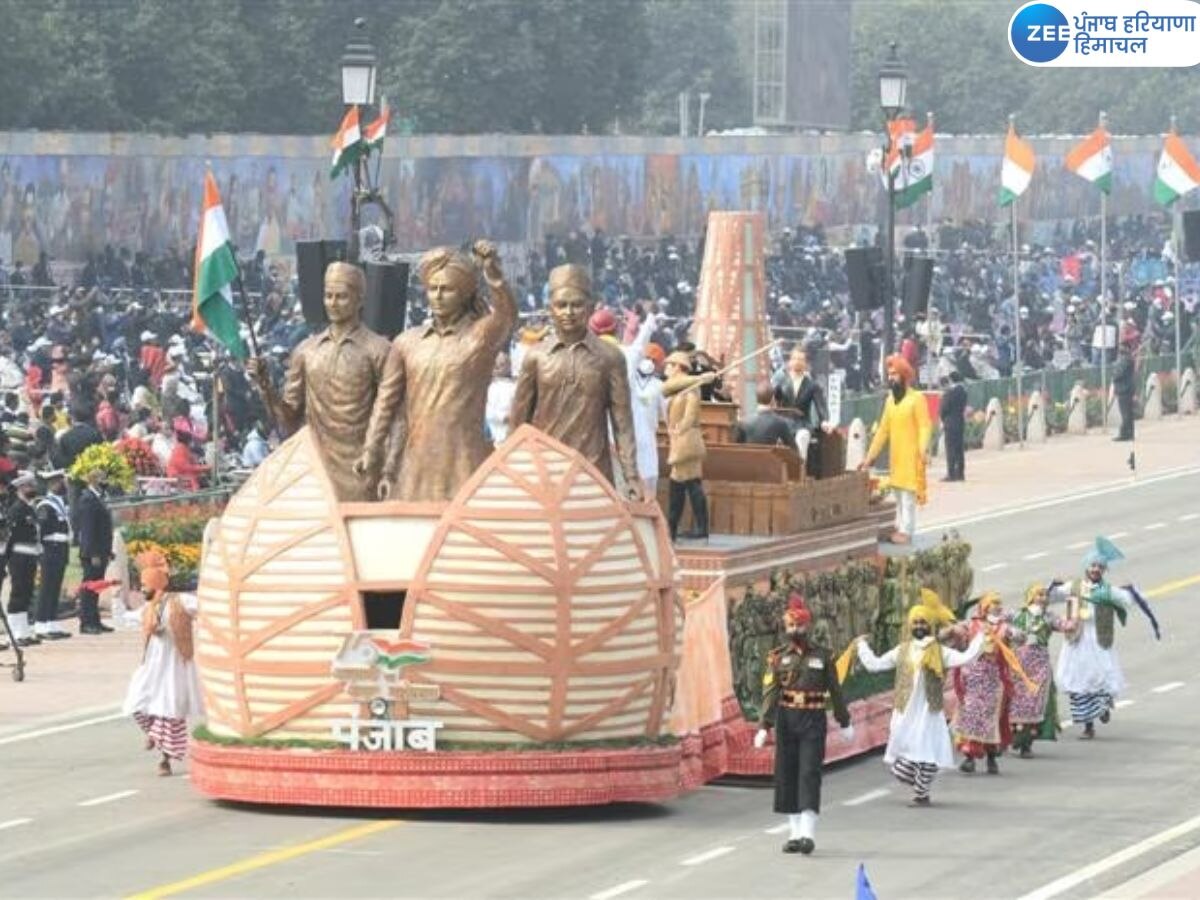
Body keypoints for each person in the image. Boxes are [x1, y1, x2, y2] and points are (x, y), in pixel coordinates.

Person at [359, 242, 517, 502]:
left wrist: (494, 274)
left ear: (464, 294)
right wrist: (372, 452)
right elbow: (386, 405)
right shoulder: (407, 343)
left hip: (464, 463)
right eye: (433, 289)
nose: (438, 295)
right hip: (416, 467)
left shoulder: (479, 338)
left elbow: (506, 316)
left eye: (447, 289)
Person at [249, 261, 392, 502]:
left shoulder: (379, 350)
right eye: (329, 296)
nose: (333, 303)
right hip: (317, 470)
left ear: (359, 299)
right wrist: (266, 387)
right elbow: (288, 420)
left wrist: (388, 469)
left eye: (342, 296)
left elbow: (393, 416)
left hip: (363, 470)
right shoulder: (306, 351)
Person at [509, 264, 642, 499]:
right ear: (550, 309)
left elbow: (623, 423)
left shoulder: (610, 358)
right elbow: (518, 421)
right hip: (543, 470)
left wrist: (631, 476)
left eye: (576, 305)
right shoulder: (536, 357)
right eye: (561, 305)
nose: (568, 312)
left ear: (590, 308)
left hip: (592, 472)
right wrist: (510, 470)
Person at [853, 602, 984, 806]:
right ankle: (920, 787)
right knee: (901, 760)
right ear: (910, 626)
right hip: (904, 710)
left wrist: (982, 636)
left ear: (930, 625)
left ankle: (922, 794)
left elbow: (967, 657)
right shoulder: (902, 650)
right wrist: (861, 645)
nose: (919, 626)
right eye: (915, 622)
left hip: (928, 710)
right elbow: (875, 665)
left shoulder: (940, 652)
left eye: (923, 622)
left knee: (926, 752)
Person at [754, 594, 852, 855]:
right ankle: (795, 833)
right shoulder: (777, 658)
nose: (794, 631)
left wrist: (844, 721)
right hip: (787, 719)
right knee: (787, 775)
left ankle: (808, 833)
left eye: (798, 626)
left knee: (809, 773)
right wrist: (764, 724)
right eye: (790, 627)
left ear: (806, 626)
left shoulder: (823, 655)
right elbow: (771, 692)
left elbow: (835, 690)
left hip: (813, 719)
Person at [1051, 537, 1158, 738]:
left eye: (1100, 566)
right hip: (1076, 639)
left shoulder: (1109, 591)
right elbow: (1050, 597)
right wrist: (1052, 586)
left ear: (1104, 570)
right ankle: (1087, 725)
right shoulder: (1073, 587)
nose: (1095, 569)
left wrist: (1131, 589)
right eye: (1093, 565)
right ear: (1086, 567)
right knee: (1078, 680)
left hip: (1099, 639)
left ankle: (1102, 705)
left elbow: (1130, 600)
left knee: (1100, 676)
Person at [122, 549, 203, 776]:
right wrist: (116, 598)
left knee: (169, 709)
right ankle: (155, 734)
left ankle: (165, 759)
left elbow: (205, 610)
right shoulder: (148, 609)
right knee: (137, 701)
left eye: (145, 585)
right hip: (151, 665)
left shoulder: (182, 602)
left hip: (175, 665)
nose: (143, 589)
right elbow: (126, 619)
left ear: (156, 583)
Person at [948, 593, 1029, 776]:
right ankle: (970, 757)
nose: (997, 607)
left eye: (999, 604)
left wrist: (1015, 633)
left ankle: (991, 757)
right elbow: (956, 640)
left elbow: (1021, 638)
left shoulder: (1004, 628)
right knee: (972, 715)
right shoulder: (971, 625)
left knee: (992, 718)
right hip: (974, 679)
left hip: (995, 681)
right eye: (994, 604)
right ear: (984, 607)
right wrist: (952, 630)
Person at [859, 355, 931, 544]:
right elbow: (883, 431)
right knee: (899, 494)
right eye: (889, 374)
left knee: (908, 496)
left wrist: (923, 449)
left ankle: (907, 531)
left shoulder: (917, 399)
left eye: (894, 374)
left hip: (911, 456)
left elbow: (925, 426)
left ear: (905, 376)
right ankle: (901, 526)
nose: (890, 378)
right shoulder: (890, 401)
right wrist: (869, 458)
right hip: (896, 458)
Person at [1009, 584, 1069, 758]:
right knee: (1015, 702)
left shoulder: (1049, 617)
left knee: (1035, 703)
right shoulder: (1017, 614)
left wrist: (1074, 618)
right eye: (1039, 594)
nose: (1043, 598)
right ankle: (1011, 738)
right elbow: (995, 621)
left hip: (1039, 665)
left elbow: (1066, 626)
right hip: (1018, 665)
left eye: (1045, 595)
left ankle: (1026, 744)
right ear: (1031, 597)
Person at [662, 351, 715, 541]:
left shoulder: (692, 389)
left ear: (678, 367)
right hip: (680, 440)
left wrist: (680, 429)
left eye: (669, 365)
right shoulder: (683, 386)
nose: (666, 368)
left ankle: (675, 529)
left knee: (683, 484)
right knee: (689, 484)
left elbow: (691, 415)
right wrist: (701, 377)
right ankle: (680, 529)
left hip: (686, 442)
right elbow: (667, 388)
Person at [773, 347, 832, 463]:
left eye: (801, 359)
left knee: (802, 436)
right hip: (783, 423)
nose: (797, 362)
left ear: (806, 363)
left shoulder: (812, 385)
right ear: (789, 362)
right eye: (794, 358)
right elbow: (775, 397)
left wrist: (824, 420)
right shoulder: (781, 381)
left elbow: (820, 405)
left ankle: (799, 470)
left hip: (802, 423)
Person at [5, 471, 43, 646]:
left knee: (27, 593)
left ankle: (23, 631)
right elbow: (10, 536)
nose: (31, 489)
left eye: (32, 485)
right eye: (28, 486)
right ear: (20, 488)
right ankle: (14, 633)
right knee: (18, 593)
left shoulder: (29, 508)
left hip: (30, 555)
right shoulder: (16, 509)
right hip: (18, 555)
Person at [33, 468, 72, 640]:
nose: (62, 484)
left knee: (55, 587)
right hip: (50, 549)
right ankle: (41, 623)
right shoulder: (45, 505)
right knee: (47, 587)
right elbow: (41, 531)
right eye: (59, 482)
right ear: (51, 484)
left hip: (61, 549)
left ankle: (51, 621)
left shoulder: (61, 503)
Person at [76, 466, 114, 635]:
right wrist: (93, 553)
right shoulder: (88, 499)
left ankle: (95, 620)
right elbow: (88, 529)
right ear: (93, 480)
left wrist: (107, 550)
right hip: (93, 552)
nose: (104, 481)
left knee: (96, 587)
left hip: (101, 550)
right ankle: (86, 622)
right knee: (90, 587)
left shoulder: (98, 497)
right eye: (101, 478)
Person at [630, 345, 667, 499]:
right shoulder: (628, 379)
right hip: (628, 435)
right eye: (647, 358)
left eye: (654, 360)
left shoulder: (659, 386)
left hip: (648, 436)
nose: (649, 362)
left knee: (649, 473)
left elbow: (666, 412)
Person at [939, 370, 967, 482]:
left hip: (950, 422)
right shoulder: (963, 392)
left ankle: (951, 473)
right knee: (959, 449)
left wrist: (942, 419)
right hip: (960, 421)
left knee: (950, 449)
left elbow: (943, 409)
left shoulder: (950, 393)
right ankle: (960, 473)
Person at [1111, 341, 1135, 442]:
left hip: (1124, 388)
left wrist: (1114, 375)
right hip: (1127, 388)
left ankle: (1124, 433)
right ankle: (1129, 433)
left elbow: (1118, 373)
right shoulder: (1127, 359)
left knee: (1125, 412)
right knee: (1128, 412)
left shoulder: (1125, 360)